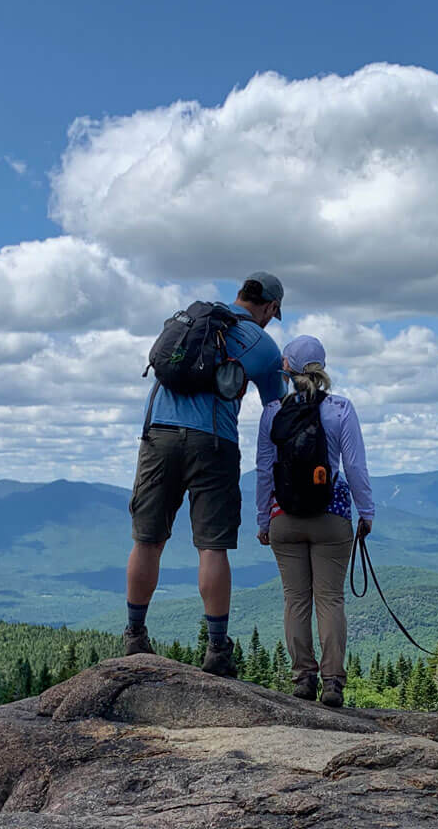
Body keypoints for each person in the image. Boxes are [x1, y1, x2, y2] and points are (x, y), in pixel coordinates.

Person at [123, 273, 287, 678]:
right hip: (213, 442)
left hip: (158, 434)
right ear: (268, 308)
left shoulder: (190, 320)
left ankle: (134, 635)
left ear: (238, 296)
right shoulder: (262, 344)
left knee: (147, 540)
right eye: (273, 314)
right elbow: (277, 408)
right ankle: (216, 650)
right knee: (212, 547)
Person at [255, 334, 374, 708]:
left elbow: (263, 470)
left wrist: (263, 518)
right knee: (330, 599)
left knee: (295, 599)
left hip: (284, 518)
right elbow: (354, 466)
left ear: (286, 369)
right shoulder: (341, 409)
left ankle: (303, 678)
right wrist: (366, 512)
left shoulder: (273, 411)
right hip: (332, 515)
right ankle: (333, 683)